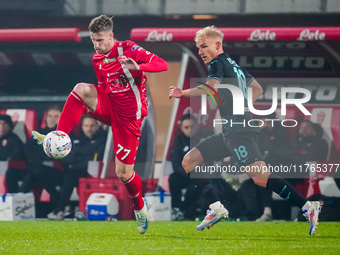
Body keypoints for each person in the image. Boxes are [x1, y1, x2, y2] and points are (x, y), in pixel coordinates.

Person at [168, 26, 321, 235]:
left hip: (239, 131)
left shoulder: (217, 64)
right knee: (189, 161)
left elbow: (211, 87)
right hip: (230, 132)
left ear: (217, 45)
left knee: (260, 177)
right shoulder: (234, 66)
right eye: (198, 48)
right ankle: (216, 209)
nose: (200, 51)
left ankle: (307, 207)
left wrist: (182, 92)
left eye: (204, 46)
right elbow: (257, 88)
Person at [32, 15, 168, 233]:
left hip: (130, 118)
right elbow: (103, 85)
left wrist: (139, 66)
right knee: (81, 89)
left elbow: (162, 64)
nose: (97, 45)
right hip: (110, 107)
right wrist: (94, 105)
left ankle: (139, 207)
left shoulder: (129, 49)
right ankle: (58, 136)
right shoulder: (97, 58)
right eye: (94, 40)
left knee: (124, 173)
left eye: (101, 40)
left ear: (111, 36)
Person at [35, 115, 106, 220]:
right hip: (70, 172)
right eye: (86, 126)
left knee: (71, 173)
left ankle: (59, 209)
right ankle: (63, 202)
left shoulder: (102, 141)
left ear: (97, 126)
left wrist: (74, 160)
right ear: (82, 126)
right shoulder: (77, 139)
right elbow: (64, 158)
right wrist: (75, 160)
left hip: (88, 174)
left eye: (92, 126)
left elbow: (92, 161)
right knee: (39, 170)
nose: (89, 129)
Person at [5, 105, 62, 193]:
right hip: (33, 167)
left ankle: (19, 198)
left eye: (56, 116)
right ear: (46, 118)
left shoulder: (65, 134)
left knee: (35, 172)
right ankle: (13, 198)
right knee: (11, 172)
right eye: (50, 116)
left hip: (52, 170)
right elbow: (27, 149)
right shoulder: (38, 132)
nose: (52, 119)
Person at [169, 113, 213, 220]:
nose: (190, 129)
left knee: (195, 186)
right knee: (173, 178)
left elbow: (211, 160)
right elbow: (176, 164)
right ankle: (176, 209)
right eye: (186, 127)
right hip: (185, 173)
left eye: (192, 126)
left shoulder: (206, 137)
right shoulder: (178, 141)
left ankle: (188, 212)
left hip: (201, 175)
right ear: (182, 128)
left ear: (197, 125)